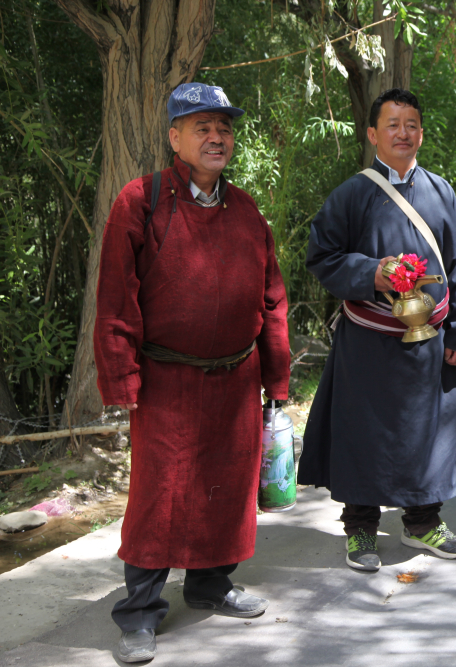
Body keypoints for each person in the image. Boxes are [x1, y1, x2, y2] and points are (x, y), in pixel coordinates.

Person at [94, 83, 290, 662]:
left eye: (224, 128)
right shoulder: (142, 200)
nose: (216, 137)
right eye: (202, 126)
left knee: (225, 489)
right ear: (174, 137)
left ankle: (210, 584)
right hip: (166, 381)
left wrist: (275, 382)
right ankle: (139, 612)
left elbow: (272, 300)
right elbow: (115, 297)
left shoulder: (248, 209)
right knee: (160, 495)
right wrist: (122, 378)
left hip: (236, 378)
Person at [299, 88, 456, 572]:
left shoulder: (442, 192)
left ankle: (423, 522)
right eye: (393, 124)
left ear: (421, 132)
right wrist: (372, 273)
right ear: (373, 133)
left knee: (431, 434)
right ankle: (360, 528)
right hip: (368, 342)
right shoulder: (352, 194)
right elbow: (321, 256)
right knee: (364, 434)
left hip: (430, 343)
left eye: (412, 124)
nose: (403, 132)